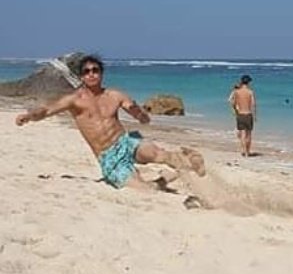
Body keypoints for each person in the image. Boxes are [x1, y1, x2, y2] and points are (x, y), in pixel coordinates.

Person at [15, 54, 206, 189]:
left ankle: (191, 162)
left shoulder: (114, 95)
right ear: (82, 76)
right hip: (108, 157)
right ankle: (164, 180)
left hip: (125, 142)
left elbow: (133, 109)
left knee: (157, 154)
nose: (91, 74)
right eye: (87, 71)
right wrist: (30, 116)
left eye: (95, 70)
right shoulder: (74, 100)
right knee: (142, 190)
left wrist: (141, 116)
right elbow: (47, 110)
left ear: (101, 73)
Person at [227, 74, 256, 157]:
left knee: (242, 134)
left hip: (240, 114)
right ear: (249, 82)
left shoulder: (237, 92)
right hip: (248, 114)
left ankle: (244, 151)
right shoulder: (250, 92)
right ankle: (248, 152)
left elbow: (233, 103)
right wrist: (255, 115)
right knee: (249, 134)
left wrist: (236, 111)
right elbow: (253, 105)